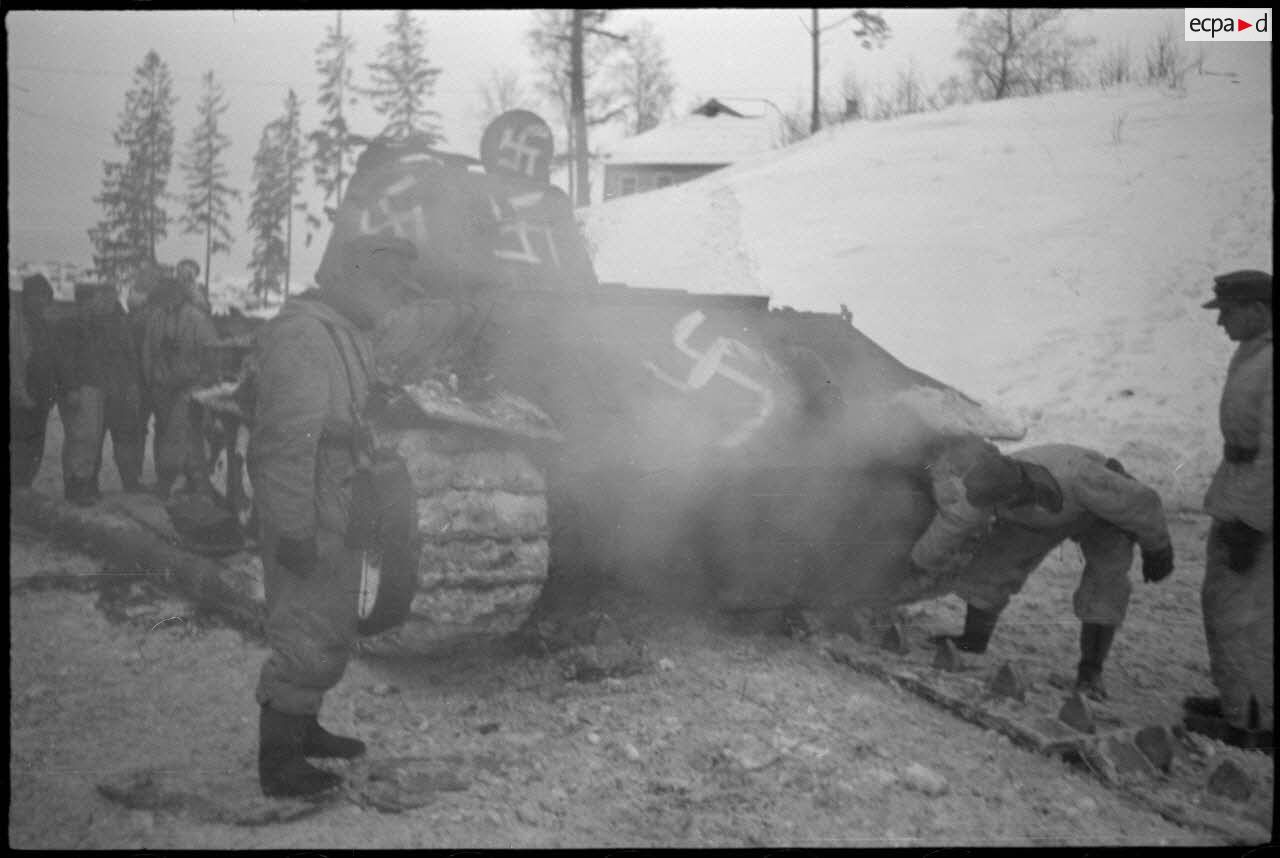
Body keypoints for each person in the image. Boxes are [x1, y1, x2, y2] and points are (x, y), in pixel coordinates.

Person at [249, 233, 423, 798]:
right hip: (309, 501)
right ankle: (279, 762)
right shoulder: (304, 334)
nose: (393, 299)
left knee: (329, 620)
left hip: (338, 496)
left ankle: (303, 727)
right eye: (387, 286)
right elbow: (285, 441)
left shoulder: (344, 331)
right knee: (305, 624)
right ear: (351, 278)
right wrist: (293, 528)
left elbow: (342, 410)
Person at [907, 437, 1175, 700]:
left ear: (1018, 491)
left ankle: (1090, 672)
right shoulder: (979, 491)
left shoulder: (1080, 475)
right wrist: (916, 563)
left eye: (1004, 502)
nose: (996, 509)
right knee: (993, 564)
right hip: (1036, 521)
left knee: (1105, 583)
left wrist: (1158, 548)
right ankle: (973, 639)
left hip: (1103, 516)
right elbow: (951, 528)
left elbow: (1142, 502)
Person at [1183, 269, 1273, 751]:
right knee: (1222, 601)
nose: (1221, 323)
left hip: (1255, 503)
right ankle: (1239, 700)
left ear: (1258, 310)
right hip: (1237, 489)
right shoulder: (1254, 350)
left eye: (1229, 312)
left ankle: (1254, 722)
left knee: (1245, 612)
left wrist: (1253, 522)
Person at [141, 273, 219, 498]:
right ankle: (188, 481)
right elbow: (148, 349)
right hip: (162, 386)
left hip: (189, 386)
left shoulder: (197, 319)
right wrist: (151, 379)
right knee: (167, 433)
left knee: (179, 434)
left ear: (178, 295)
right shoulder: (156, 317)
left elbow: (211, 351)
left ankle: (170, 484)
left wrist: (204, 382)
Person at [52, 283, 108, 505]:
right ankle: (77, 486)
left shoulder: (94, 324)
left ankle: (80, 484)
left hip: (94, 386)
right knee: (81, 438)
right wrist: (71, 387)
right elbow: (65, 359)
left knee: (89, 438)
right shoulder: (70, 324)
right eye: (97, 299)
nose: (101, 303)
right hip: (80, 388)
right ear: (87, 300)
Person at [89, 281, 146, 492]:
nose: (106, 301)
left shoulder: (123, 321)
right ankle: (90, 483)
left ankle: (130, 482)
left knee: (125, 439)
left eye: (110, 296)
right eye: (102, 296)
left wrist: (132, 385)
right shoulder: (89, 323)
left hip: (121, 391)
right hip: (97, 390)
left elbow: (131, 357)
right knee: (93, 440)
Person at [10, 274, 59, 489]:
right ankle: (18, 488)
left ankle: (25, 486)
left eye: (44, 296)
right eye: (35, 296)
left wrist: (51, 392)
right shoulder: (16, 323)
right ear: (26, 297)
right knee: (20, 444)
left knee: (36, 446)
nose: (40, 301)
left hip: (41, 397)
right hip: (22, 396)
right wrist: (20, 393)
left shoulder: (44, 324)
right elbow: (16, 362)